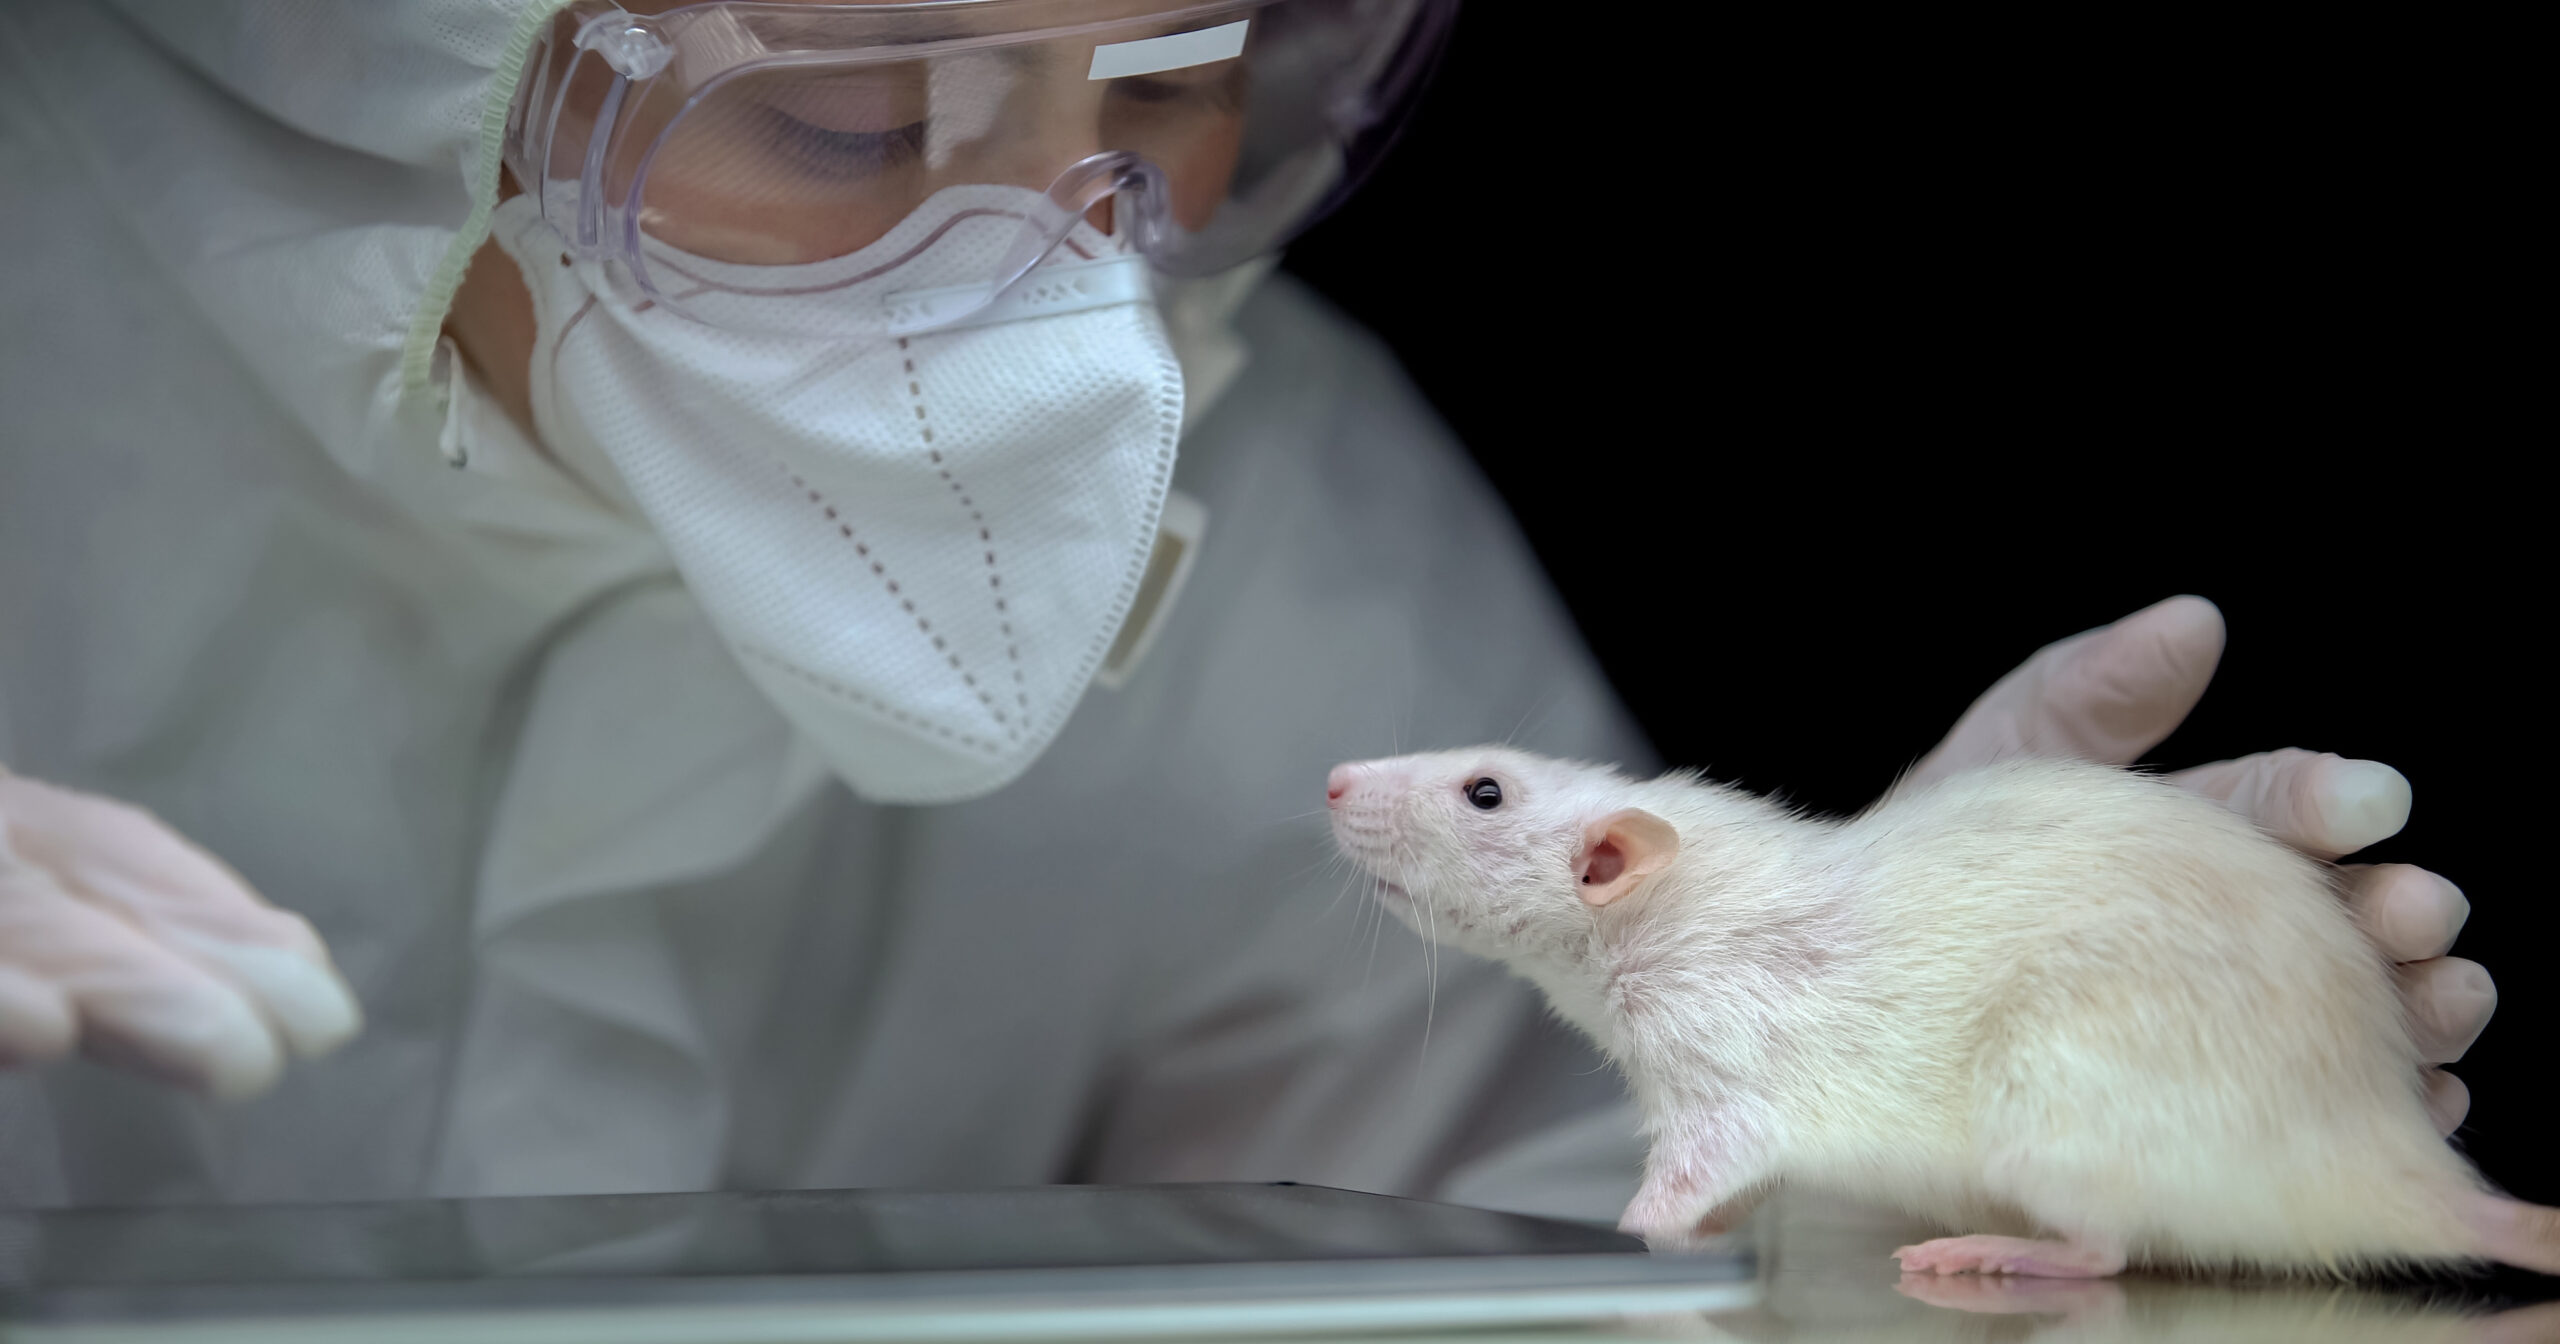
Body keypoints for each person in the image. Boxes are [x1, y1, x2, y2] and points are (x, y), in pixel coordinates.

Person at [0, 0, 2493, 1232]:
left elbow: (1450, 1251)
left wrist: (1860, 1075)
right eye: (858, 120)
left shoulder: (1278, 493)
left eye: (1191, 88)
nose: (1066, 255)